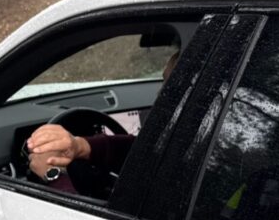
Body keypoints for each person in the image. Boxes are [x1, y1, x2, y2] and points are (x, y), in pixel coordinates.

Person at [26, 51, 180, 192]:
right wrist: (79, 146)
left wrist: (53, 176)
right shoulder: (184, 144)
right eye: (163, 82)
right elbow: (146, 151)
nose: (159, 93)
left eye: (169, 85)